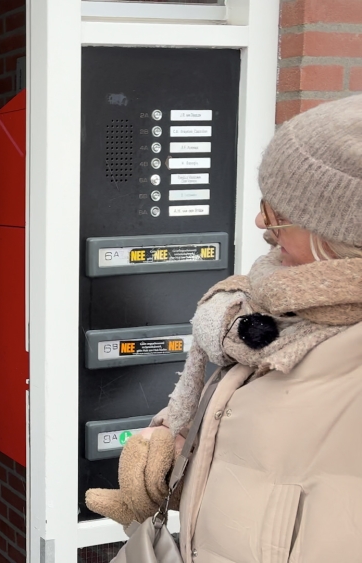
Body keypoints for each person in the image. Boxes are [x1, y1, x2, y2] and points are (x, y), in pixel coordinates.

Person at [86, 94, 362, 562]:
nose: (261, 223)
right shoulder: (272, 309)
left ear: (339, 232)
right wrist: (179, 446)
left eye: (279, 215)